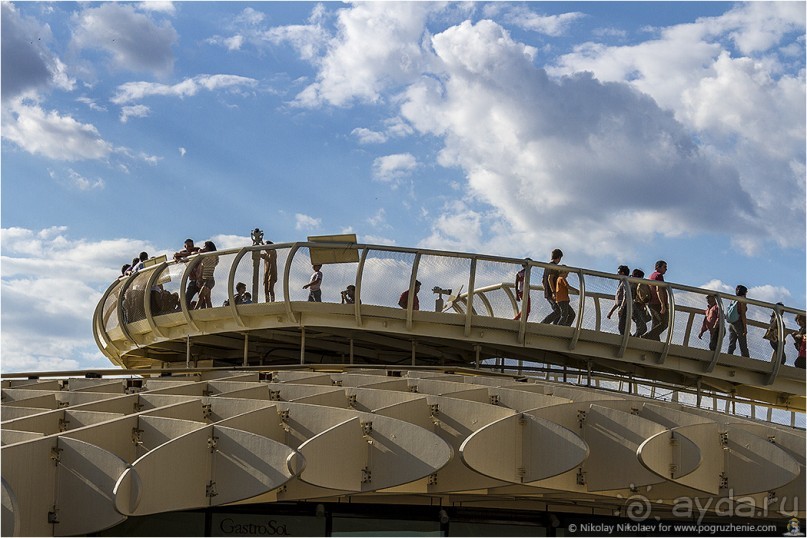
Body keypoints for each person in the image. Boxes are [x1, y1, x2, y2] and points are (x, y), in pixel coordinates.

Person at [642, 260, 669, 341]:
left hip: (651, 303)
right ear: (658, 267)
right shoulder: (658, 276)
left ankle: (653, 343)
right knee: (664, 323)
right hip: (657, 303)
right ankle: (647, 337)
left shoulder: (651, 276)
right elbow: (658, 289)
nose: (666, 269)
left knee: (656, 324)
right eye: (664, 267)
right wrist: (663, 304)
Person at [540, 249, 564, 324]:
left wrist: (546, 290)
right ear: (559, 257)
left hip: (548, 292)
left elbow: (543, 281)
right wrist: (553, 292)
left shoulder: (547, 266)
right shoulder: (554, 267)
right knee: (558, 310)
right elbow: (550, 278)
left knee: (558, 310)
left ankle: (553, 326)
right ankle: (543, 324)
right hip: (552, 292)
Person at [726, 285, 749, 357]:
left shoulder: (733, 299)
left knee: (732, 342)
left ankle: (728, 357)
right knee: (743, 343)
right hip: (738, 323)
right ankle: (746, 359)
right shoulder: (742, 300)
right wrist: (745, 328)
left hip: (732, 323)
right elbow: (743, 314)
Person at [607, 265, 630, 335]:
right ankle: (630, 339)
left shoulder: (625, 282)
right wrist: (611, 311)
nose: (617, 274)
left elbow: (626, 295)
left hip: (624, 307)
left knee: (622, 327)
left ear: (623, 273)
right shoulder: (621, 283)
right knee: (622, 327)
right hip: (621, 306)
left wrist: (622, 308)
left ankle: (629, 341)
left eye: (619, 272)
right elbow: (619, 300)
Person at [195, 241, 218, 309]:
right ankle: (210, 313)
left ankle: (195, 311)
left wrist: (200, 251)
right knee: (207, 299)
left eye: (205, 246)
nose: (203, 248)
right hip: (204, 280)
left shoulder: (213, 256)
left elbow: (199, 251)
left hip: (209, 280)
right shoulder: (204, 257)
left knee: (201, 296)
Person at [630, 268, 649, 337]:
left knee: (641, 326)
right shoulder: (634, 285)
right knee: (642, 327)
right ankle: (633, 340)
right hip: (635, 306)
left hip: (634, 306)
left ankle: (633, 338)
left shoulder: (631, 284)